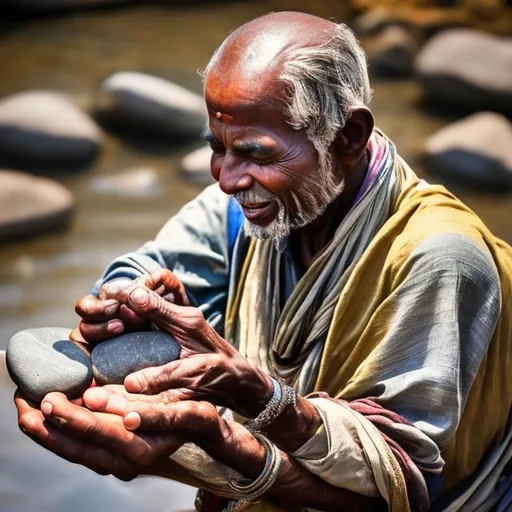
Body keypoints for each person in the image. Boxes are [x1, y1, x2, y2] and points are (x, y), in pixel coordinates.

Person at [14, 11, 512, 512]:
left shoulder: (440, 259)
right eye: (218, 148)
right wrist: (125, 307)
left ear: (349, 136)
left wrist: (259, 401)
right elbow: (150, 266)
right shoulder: (252, 211)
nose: (227, 179)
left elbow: (396, 485)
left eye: (257, 154)